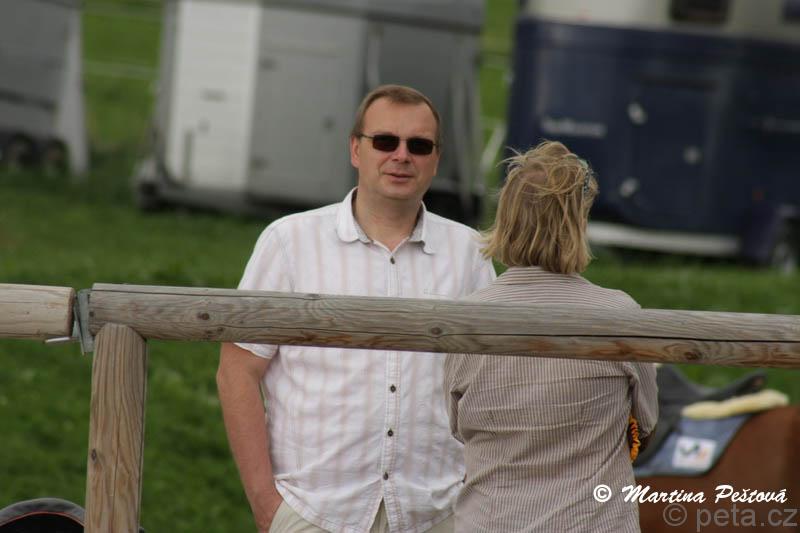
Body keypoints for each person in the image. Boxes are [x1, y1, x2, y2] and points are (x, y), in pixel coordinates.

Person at [217, 84, 496, 533]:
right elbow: (237, 371)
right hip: (313, 510)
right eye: (385, 141)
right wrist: (267, 506)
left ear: (436, 158)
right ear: (355, 149)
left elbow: (491, 385)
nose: (401, 156)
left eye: (419, 145)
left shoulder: (470, 253)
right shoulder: (289, 242)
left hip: (437, 511)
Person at [444, 141, 658, 532]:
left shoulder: (466, 318)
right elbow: (645, 425)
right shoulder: (619, 314)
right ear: (576, 223)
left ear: (507, 217)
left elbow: (459, 425)